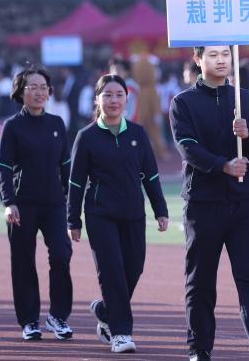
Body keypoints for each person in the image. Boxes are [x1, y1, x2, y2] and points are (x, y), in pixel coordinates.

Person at [170, 45, 249, 361]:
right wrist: (223, 165)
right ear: (198, 59)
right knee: (200, 280)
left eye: (225, 54)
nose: (221, 60)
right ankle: (199, 349)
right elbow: (187, 148)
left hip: (244, 203)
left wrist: (248, 132)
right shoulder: (183, 102)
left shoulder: (245, 99)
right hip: (203, 204)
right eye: (212, 55)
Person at [67, 74, 169, 354]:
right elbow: (76, 183)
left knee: (133, 268)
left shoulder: (137, 133)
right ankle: (120, 333)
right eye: (108, 95)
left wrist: (160, 210)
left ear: (127, 99)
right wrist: (73, 219)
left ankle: (104, 309)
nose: (114, 100)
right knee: (111, 271)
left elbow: (151, 175)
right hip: (100, 215)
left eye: (119, 95)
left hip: (133, 213)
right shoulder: (86, 137)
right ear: (97, 99)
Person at [0, 67, 74, 341]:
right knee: (23, 261)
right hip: (23, 205)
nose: (40, 92)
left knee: (61, 255)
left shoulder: (57, 124)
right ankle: (29, 320)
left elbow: (66, 166)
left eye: (44, 87)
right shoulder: (12, 126)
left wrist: (72, 201)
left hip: (54, 203)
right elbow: (4, 168)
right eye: (33, 87)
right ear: (21, 93)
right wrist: (9, 202)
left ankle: (58, 316)